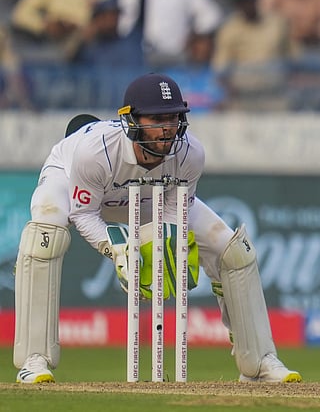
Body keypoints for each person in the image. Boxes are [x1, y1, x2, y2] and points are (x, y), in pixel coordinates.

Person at [13, 72, 301, 384]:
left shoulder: (191, 153)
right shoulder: (94, 152)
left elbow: (177, 211)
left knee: (233, 252)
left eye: (174, 118)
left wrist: (168, 248)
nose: (167, 128)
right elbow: (83, 212)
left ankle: (259, 363)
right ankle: (34, 359)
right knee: (44, 238)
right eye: (157, 119)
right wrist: (119, 252)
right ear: (132, 120)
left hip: (155, 195)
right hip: (71, 180)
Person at [213, 0, 291, 111]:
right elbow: (221, 68)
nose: (247, 5)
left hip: (274, 94)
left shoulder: (277, 24)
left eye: (249, 0)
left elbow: (291, 58)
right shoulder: (229, 29)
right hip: (243, 96)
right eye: (242, 2)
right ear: (236, 5)